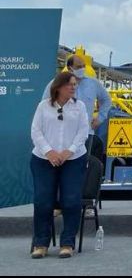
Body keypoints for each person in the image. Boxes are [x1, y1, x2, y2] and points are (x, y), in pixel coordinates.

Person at [30, 72, 89, 259]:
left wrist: (68, 151)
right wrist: (49, 152)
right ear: (58, 87)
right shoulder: (43, 106)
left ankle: (67, 243)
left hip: (73, 159)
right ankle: (40, 243)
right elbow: (36, 131)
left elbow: (83, 132)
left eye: (75, 85)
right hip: (43, 160)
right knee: (43, 202)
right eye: (69, 84)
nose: (73, 87)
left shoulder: (79, 107)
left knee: (71, 201)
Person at [42, 55, 112, 153]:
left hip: (86, 135)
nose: (82, 69)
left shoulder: (93, 83)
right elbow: (44, 105)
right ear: (70, 69)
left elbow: (107, 100)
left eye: (83, 66)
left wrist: (100, 118)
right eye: (79, 67)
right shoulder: (55, 84)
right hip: (61, 135)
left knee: (83, 166)